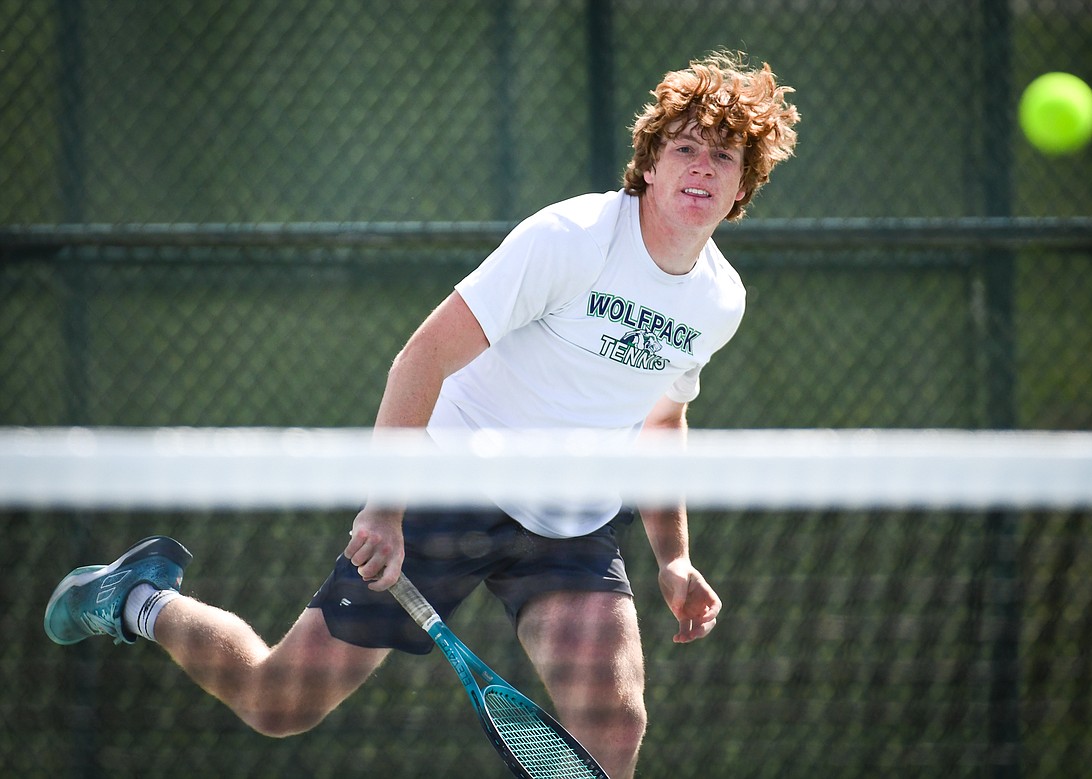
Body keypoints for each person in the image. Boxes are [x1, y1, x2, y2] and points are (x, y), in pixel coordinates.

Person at [44, 50, 798, 779]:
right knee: (279, 700)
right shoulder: (570, 240)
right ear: (650, 164)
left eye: (724, 157)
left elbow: (660, 424)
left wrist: (672, 556)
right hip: (451, 487)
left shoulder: (718, 300)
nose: (702, 165)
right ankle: (138, 598)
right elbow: (422, 358)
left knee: (614, 726)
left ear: (742, 189)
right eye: (687, 147)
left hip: (573, 524)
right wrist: (386, 507)